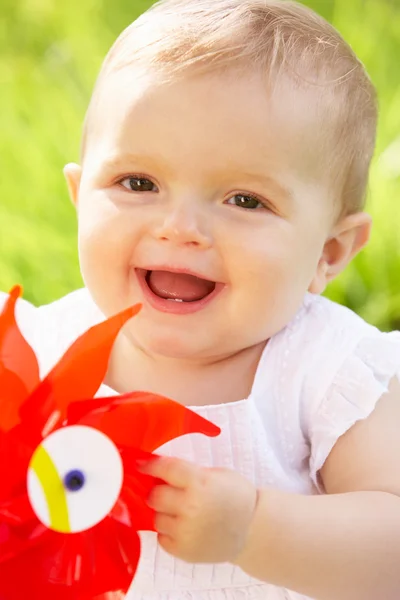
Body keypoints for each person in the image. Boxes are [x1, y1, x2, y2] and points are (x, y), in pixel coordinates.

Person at [3, 0, 400, 598]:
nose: (181, 226)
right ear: (80, 197)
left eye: (245, 200)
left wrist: (255, 529)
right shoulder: (38, 354)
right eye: (139, 183)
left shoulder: (327, 370)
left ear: (330, 252)